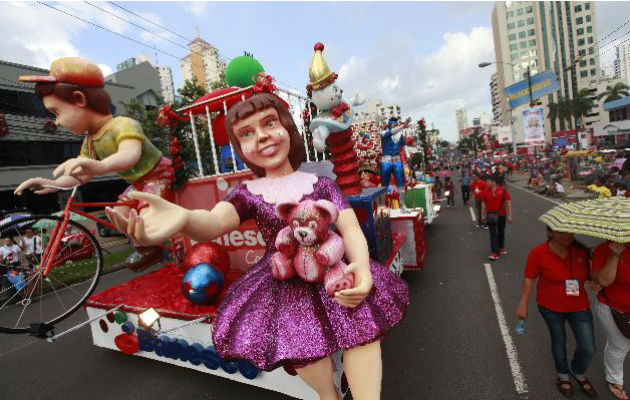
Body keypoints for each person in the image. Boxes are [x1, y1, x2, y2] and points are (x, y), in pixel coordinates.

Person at [106, 93, 409, 399]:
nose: (262, 136)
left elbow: (349, 227)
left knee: (363, 335)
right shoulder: (247, 192)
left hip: (333, 270)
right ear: (240, 148)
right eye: (247, 133)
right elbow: (212, 222)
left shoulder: (321, 185)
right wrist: (183, 218)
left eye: (269, 123)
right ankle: (327, 396)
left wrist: (362, 268)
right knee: (303, 347)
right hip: (284, 281)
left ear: (287, 126)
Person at [14, 57, 174, 272]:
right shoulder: (90, 140)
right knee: (119, 214)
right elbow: (81, 176)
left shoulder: (122, 124)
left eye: (57, 113)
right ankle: (152, 249)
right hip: (138, 182)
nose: (58, 122)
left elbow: (130, 155)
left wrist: (98, 166)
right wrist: (51, 184)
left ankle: (162, 245)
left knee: (148, 211)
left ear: (79, 99)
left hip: (160, 174)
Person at [516, 227, 597, 398]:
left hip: (579, 306)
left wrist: (595, 279)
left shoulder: (581, 252)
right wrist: (523, 303)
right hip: (550, 307)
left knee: (588, 347)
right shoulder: (538, 253)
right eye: (562, 232)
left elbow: (591, 276)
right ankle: (563, 375)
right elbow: (529, 279)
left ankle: (577, 370)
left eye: (570, 232)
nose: (568, 236)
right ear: (550, 232)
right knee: (559, 341)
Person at [592, 241, 630, 400]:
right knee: (620, 345)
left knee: (619, 343)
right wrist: (614, 256)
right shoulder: (604, 249)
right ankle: (614, 380)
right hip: (614, 309)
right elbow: (603, 281)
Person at [481, 175, 512, 260]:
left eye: (488, 181)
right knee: (493, 234)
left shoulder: (502, 191)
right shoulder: (485, 191)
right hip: (490, 215)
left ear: (493, 182)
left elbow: (508, 202)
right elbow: (483, 203)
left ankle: (501, 246)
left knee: (501, 231)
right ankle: (494, 252)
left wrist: (509, 216)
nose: (486, 183)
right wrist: (482, 215)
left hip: (502, 215)